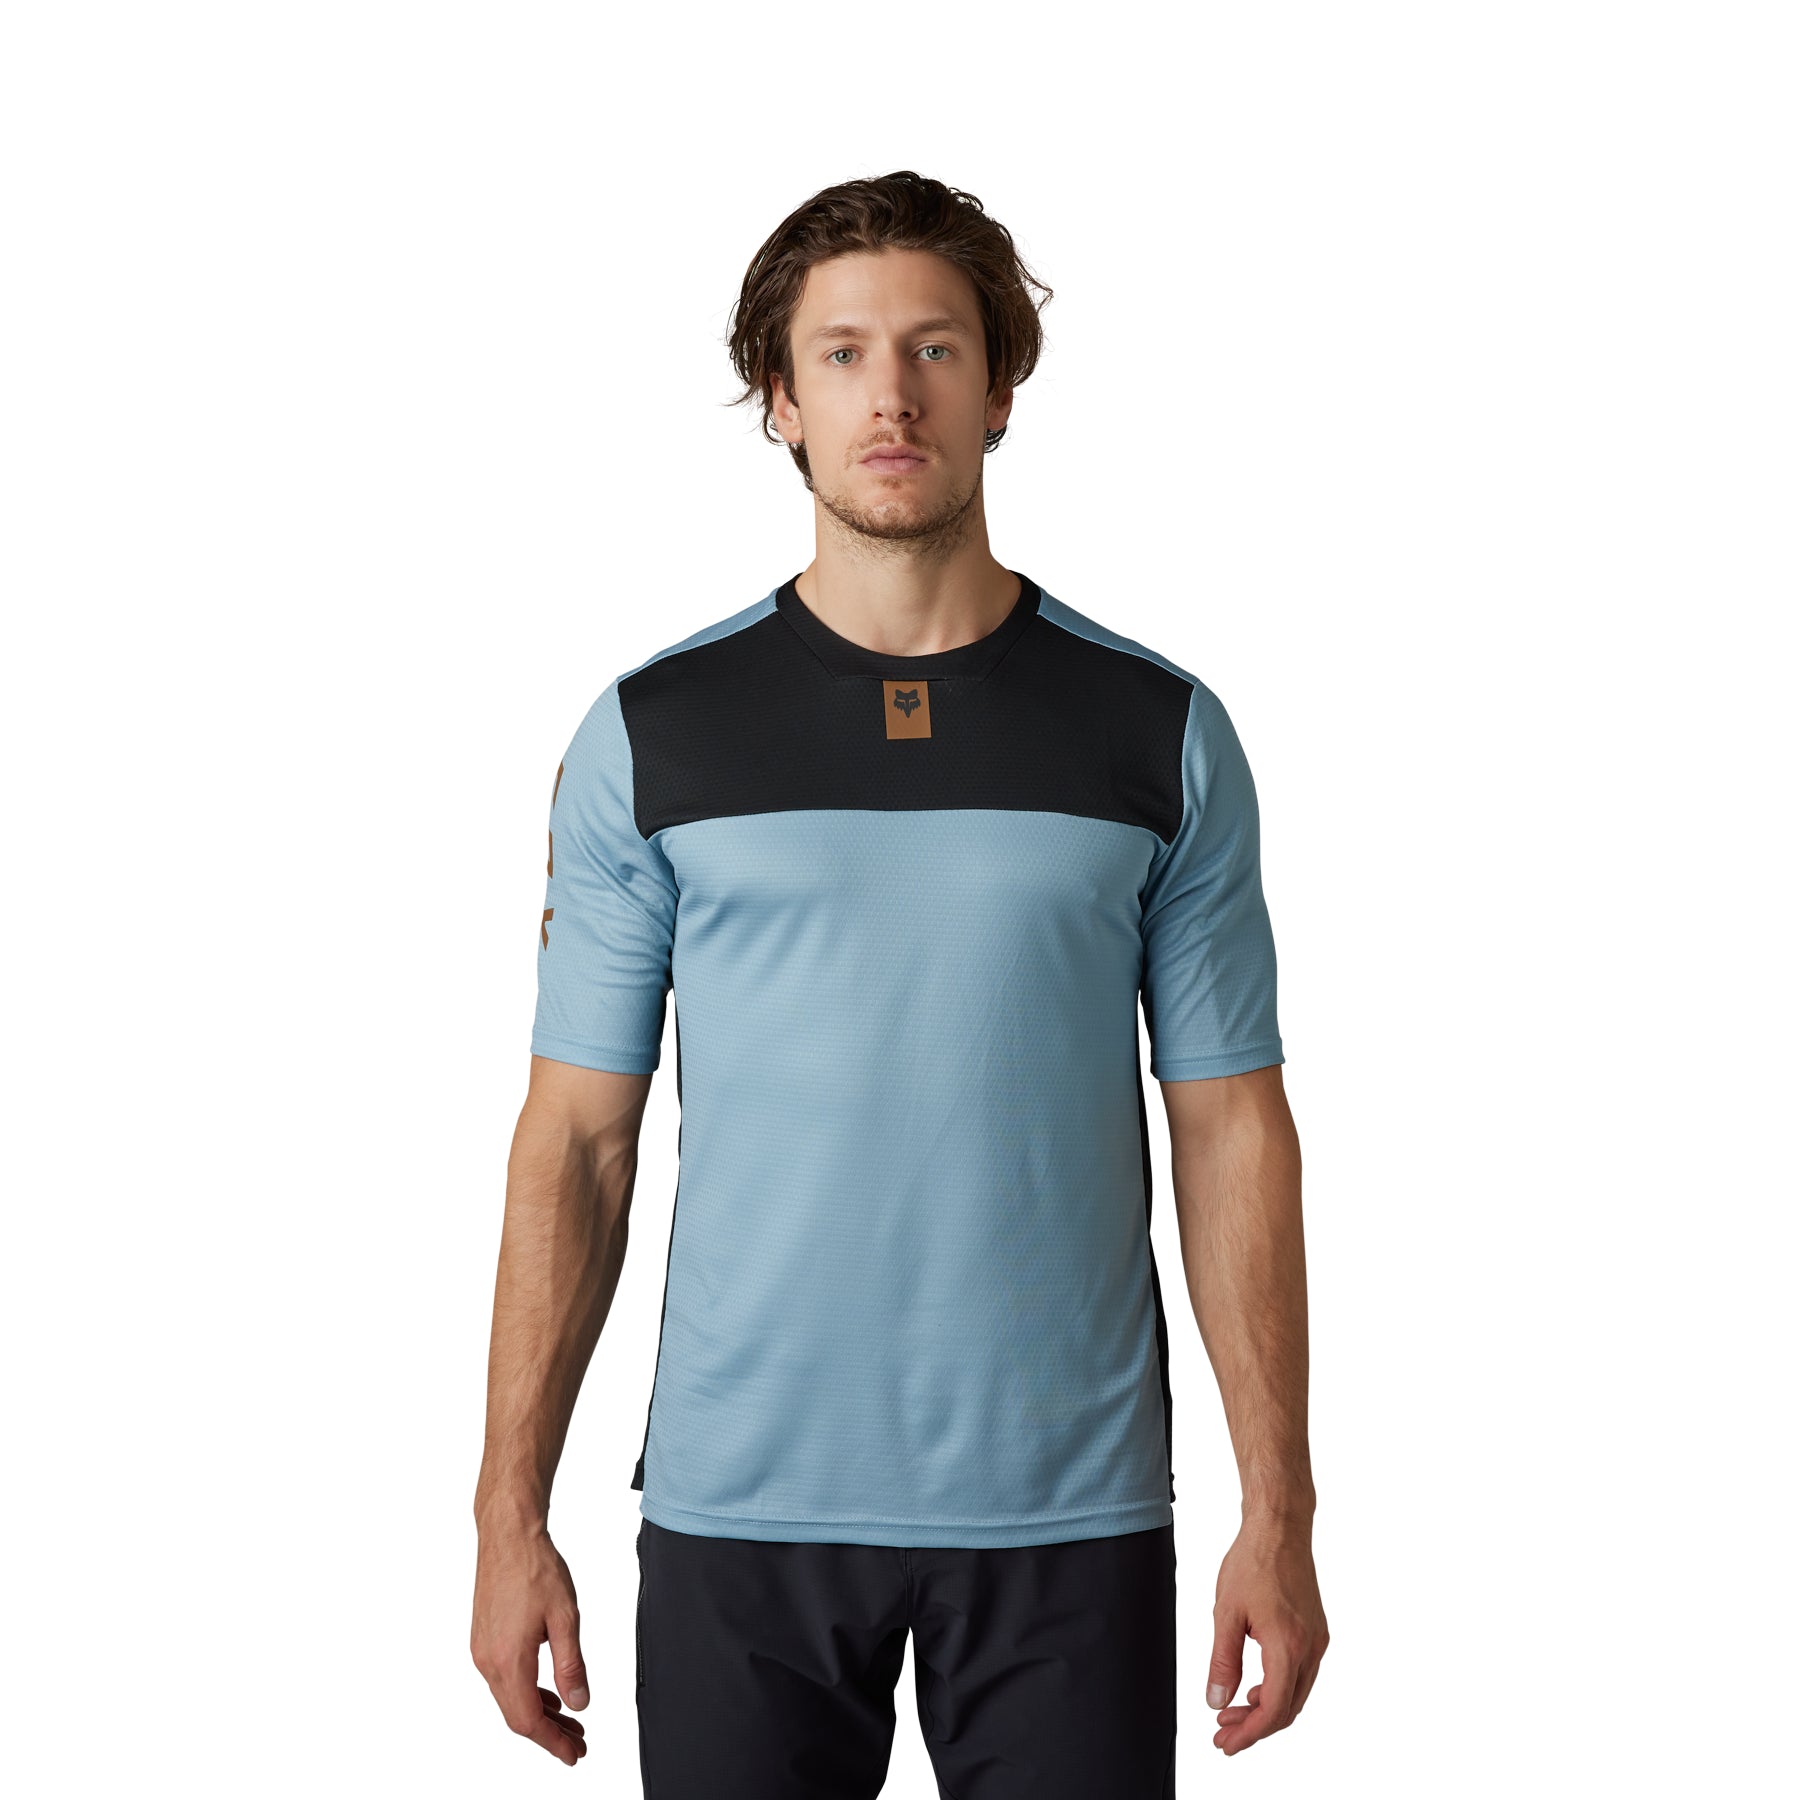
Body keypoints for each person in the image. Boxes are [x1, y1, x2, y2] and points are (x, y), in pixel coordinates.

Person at [470, 169, 1327, 1796]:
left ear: (1000, 389)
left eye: (935, 348)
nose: (893, 395)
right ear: (781, 401)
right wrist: (508, 1514)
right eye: (844, 353)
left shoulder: (1158, 734)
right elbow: (575, 1141)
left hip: (1069, 1517)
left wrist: (1275, 1512)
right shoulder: (653, 738)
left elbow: (1232, 1128)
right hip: (741, 1513)